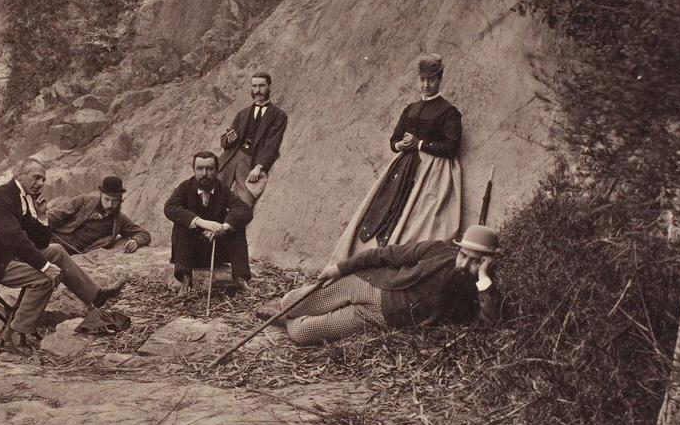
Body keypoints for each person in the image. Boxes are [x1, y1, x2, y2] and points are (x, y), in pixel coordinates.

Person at [0, 157, 126, 350]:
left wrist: (43, 216)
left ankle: (95, 296)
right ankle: (16, 333)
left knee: (56, 251)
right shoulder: (1, 197)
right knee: (45, 279)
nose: (40, 184)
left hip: (5, 258)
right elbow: (12, 237)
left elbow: (41, 241)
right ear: (19, 174)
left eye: (43, 179)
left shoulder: (23, 198)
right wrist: (44, 267)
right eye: (36, 178)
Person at [264, 225, 502, 346]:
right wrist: (340, 268)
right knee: (291, 302)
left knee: (303, 333)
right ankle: (288, 310)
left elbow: (490, 324)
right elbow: (386, 254)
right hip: (369, 283)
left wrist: (483, 277)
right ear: (458, 250)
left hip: (379, 317)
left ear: (487, 262)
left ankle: (286, 320)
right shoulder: (439, 251)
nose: (465, 263)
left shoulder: (480, 289)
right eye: (464, 255)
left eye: (476, 260)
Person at [331, 54, 463, 262]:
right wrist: (399, 145)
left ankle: (402, 256)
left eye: (431, 80)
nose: (426, 85)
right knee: (383, 208)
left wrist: (419, 143)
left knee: (421, 216)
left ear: (440, 79)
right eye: (422, 80)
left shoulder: (448, 112)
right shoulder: (411, 108)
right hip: (403, 167)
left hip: (432, 170)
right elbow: (394, 139)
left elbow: (451, 146)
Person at [164, 151, 253, 296]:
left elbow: (244, 210)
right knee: (181, 224)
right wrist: (201, 222)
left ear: (216, 170)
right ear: (193, 170)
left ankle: (240, 278)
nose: (204, 174)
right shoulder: (185, 188)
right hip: (189, 254)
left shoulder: (222, 190)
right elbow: (170, 208)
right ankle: (185, 281)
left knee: (237, 225)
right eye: (200, 168)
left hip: (216, 250)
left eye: (209, 169)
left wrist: (223, 227)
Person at [217, 70, 289, 208]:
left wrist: (259, 166)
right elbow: (226, 140)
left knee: (245, 202)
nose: (257, 90)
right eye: (254, 86)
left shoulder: (278, 115)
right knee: (213, 192)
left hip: (251, 160)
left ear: (269, 87)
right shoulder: (242, 114)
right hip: (230, 157)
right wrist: (228, 139)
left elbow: (272, 144)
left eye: (261, 86)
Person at [47, 175, 151, 255]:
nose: (110, 205)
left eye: (115, 201)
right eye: (107, 199)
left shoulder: (120, 220)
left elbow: (144, 234)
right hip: (52, 238)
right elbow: (55, 215)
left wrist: (136, 241)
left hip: (71, 253)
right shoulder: (83, 201)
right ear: (101, 195)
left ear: (120, 200)